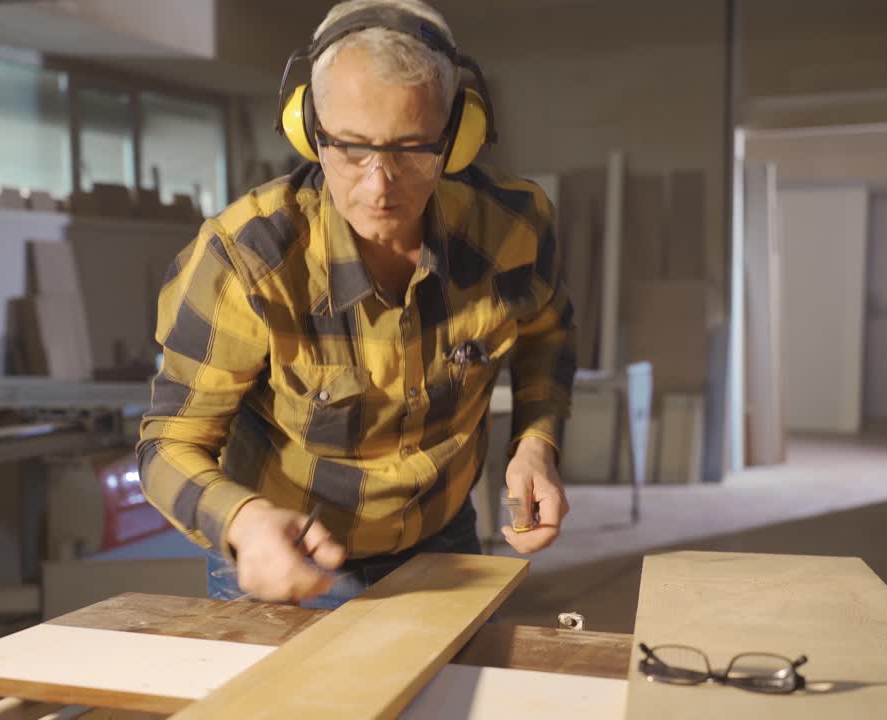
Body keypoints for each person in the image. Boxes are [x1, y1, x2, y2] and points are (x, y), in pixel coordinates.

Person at [137, 0, 576, 609]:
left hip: (442, 542)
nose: (378, 185)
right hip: (287, 557)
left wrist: (535, 444)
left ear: (457, 135)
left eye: (411, 149)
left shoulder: (515, 230)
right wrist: (243, 521)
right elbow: (167, 442)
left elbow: (548, 336)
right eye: (350, 148)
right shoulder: (246, 260)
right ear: (308, 129)